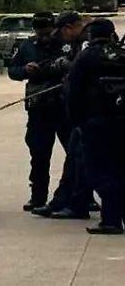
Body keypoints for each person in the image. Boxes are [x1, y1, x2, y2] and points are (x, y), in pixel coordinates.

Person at [33, 12, 97, 220]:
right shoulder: (83, 44)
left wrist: (67, 67)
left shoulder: (88, 44)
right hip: (82, 112)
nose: (60, 37)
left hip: (91, 112)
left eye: (61, 31)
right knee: (74, 159)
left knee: (81, 159)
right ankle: (64, 201)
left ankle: (78, 203)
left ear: (69, 27)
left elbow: (84, 73)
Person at [65, 17, 125, 235]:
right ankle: (114, 218)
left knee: (99, 171)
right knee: (120, 170)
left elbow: (72, 92)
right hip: (121, 123)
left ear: (90, 36)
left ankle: (111, 219)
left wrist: (75, 121)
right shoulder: (121, 55)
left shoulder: (86, 57)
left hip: (95, 125)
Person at [7, 12, 70, 212]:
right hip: (39, 106)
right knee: (39, 154)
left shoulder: (66, 44)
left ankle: (81, 194)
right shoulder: (27, 46)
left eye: (47, 31)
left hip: (63, 104)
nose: (44, 36)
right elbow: (12, 70)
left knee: (75, 151)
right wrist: (26, 69)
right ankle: (38, 196)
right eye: (39, 31)